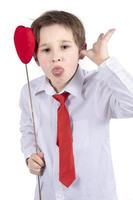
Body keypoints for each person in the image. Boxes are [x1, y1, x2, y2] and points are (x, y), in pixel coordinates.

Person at [19, 10, 133, 200]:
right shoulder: (30, 92)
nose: (56, 57)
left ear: (81, 50)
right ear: (36, 58)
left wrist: (105, 63)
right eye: (46, 50)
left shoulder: (100, 86)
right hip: (48, 194)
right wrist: (30, 155)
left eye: (64, 46)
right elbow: (28, 129)